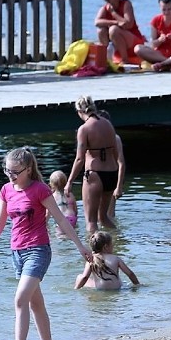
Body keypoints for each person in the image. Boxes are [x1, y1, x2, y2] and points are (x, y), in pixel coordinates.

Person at [0, 147, 91, 340]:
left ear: (28, 169)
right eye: (7, 171)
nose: (10, 175)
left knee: (20, 299)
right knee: (35, 303)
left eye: (14, 171)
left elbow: (60, 220)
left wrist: (80, 246)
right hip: (17, 253)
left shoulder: (40, 190)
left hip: (38, 250)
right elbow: (0, 221)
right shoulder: (6, 190)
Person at [64, 96, 121, 234]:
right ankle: (118, 241)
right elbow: (115, 153)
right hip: (112, 173)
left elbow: (79, 159)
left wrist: (69, 181)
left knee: (91, 222)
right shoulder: (108, 124)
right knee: (104, 218)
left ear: (79, 111)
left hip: (94, 175)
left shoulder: (84, 129)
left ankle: (94, 254)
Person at [94, 0, 146, 64]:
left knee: (113, 30)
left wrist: (113, 13)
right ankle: (107, 58)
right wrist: (116, 22)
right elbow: (97, 22)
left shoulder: (126, 4)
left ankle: (125, 60)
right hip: (118, 45)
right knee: (101, 30)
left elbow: (128, 24)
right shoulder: (105, 8)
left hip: (134, 43)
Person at [75, 231, 139, 290]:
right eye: (111, 244)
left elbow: (85, 277)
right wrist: (137, 284)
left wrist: (76, 289)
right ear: (105, 247)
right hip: (116, 288)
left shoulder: (91, 259)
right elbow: (130, 274)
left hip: (101, 289)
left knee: (79, 277)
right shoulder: (116, 259)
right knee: (120, 280)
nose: (113, 246)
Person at [98, 109, 126, 219]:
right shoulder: (93, 137)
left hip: (111, 176)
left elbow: (121, 163)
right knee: (97, 214)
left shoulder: (115, 138)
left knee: (109, 213)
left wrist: (119, 186)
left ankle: (112, 235)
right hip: (97, 177)